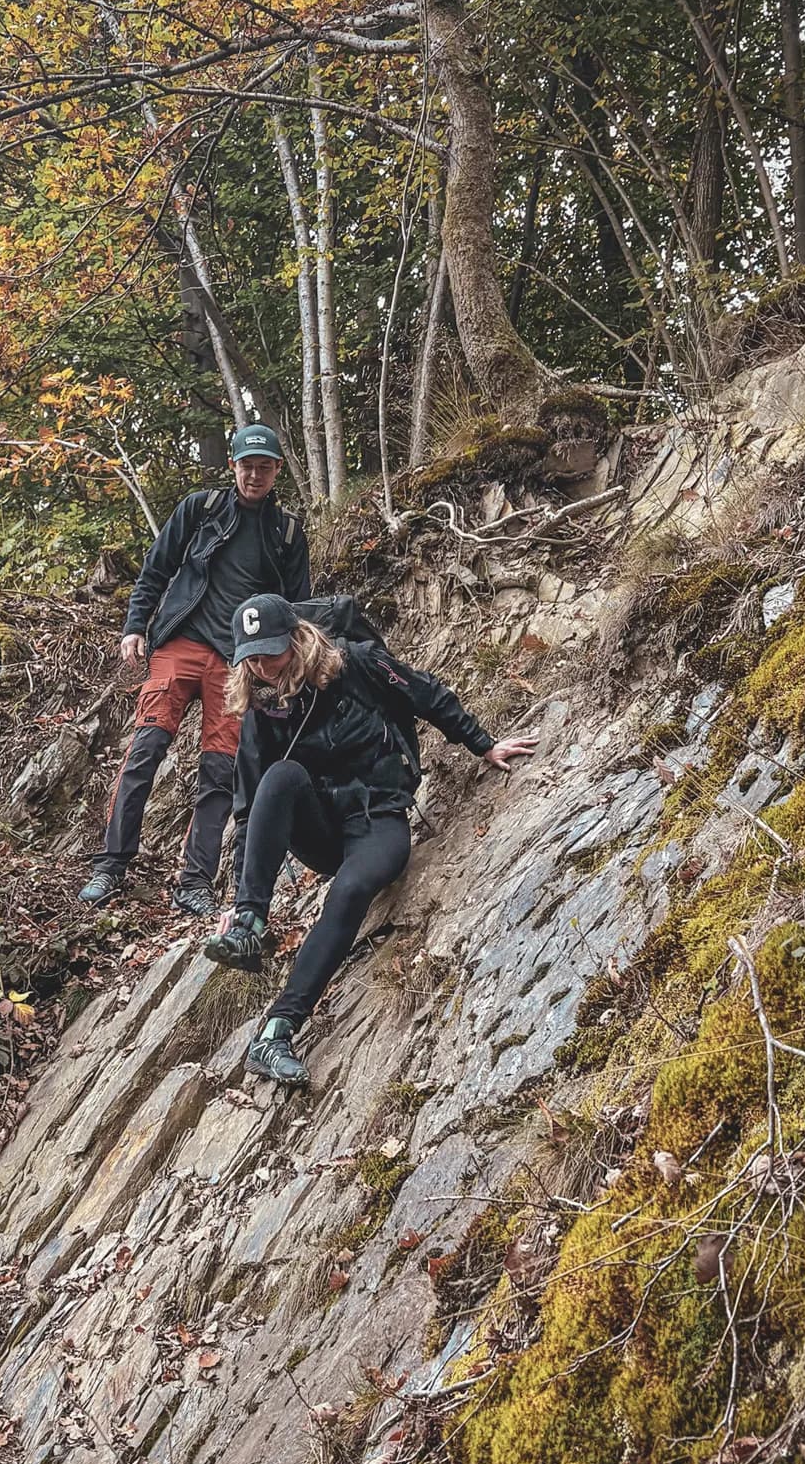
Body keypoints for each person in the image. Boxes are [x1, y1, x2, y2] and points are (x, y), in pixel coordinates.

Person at [204, 594, 538, 1085]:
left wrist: (483, 744)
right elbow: (250, 804)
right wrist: (239, 895)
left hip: (378, 818)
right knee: (279, 778)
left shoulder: (355, 663)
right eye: (250, 656)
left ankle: (276, 1030)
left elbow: (427, 695)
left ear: (297, 638)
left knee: (352, 891)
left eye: (270, 651)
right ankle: (250, 922)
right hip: (321, 827)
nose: (260, 664)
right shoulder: (261, 708)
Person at [79, 424, 312, 914]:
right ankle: (111, 866)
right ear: (233, 466)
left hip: (238, 664)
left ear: (276, 471)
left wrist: (294, 668)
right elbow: (156, 568)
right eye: (247, 465)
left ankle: (194, 883)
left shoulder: (288, 533)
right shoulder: (201, 509)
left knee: (220, 772)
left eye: (264, 467)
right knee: (146, 749)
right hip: (181, 644)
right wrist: (134, 626)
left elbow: (299, 608)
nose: (254, 475)